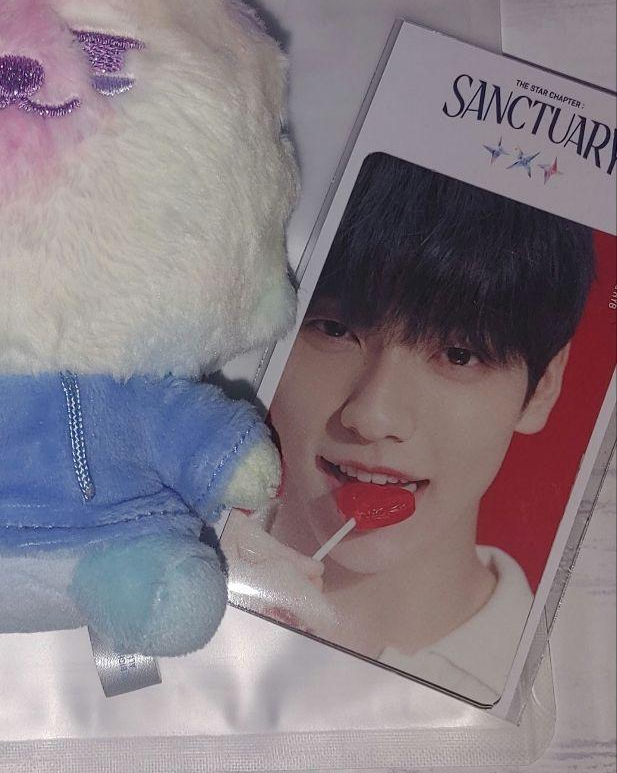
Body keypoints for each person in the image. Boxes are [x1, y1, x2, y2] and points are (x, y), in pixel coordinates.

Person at [225, 151, 597, 704]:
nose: (375, 416)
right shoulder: (156, 556)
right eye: (334, 329)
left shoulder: (561, 690)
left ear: (542, 386)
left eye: (459, 354)